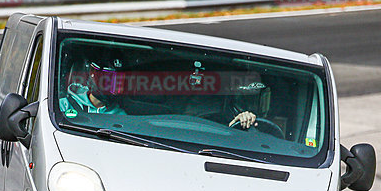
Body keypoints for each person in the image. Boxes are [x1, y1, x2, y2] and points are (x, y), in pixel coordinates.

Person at [60, 59, 258, 128]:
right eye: (108, 80)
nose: (112, 86)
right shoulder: (63, 105)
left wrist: (243, 119)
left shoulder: (122, 116)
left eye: (118, 81)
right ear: (93, 76)